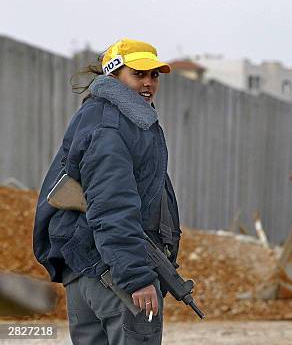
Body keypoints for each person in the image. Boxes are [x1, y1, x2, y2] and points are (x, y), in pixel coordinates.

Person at [33, 39, 182, 344]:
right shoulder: (112, 127)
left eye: (154, 75)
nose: (148, 83)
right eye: (138, 74)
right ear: (113, 75)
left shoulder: (110, 119)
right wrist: (136, 277)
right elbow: (112, 206)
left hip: (91, 270)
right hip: (116, 279)